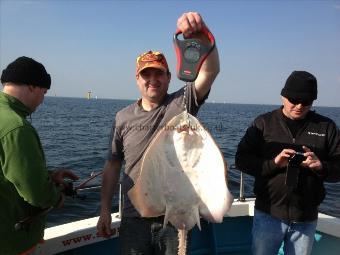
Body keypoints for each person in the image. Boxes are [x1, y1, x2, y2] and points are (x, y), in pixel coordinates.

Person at [96, 12, 219, 254]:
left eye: (158, 73)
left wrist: (204, 34)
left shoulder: (182, 102)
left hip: (175, 215)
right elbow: (112, 165)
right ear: (137, 79)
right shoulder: (122, 117)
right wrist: (104, 210)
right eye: (146, 74)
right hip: (134, 216)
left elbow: (210, 72)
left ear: (168, 77)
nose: (152, 79)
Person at [235, 70, 340, 255]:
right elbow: (241, 160)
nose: (299, 106)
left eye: (306, 102)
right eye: (294, 100)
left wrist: (321, 166)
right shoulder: (263, 123)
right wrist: (275, 163)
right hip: (267, 214)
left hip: (305, 219)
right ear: (283, 96)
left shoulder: (327, 127)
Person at [0, 56, 78, 255]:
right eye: (44, 92)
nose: (43, 99)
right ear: (32, 87)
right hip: (10, 242)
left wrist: (49, 175)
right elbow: (36, 193)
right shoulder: (16, 127)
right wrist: (56, 197)